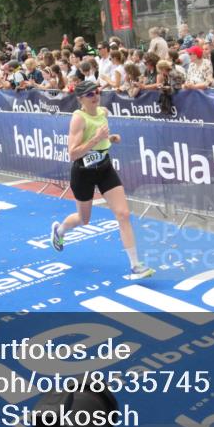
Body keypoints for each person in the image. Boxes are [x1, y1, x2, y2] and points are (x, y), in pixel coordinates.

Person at [49, 81, 155, 281]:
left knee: (123, 214)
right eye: (89, 94)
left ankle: (135, 266)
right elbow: (72, 153)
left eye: (96, 92)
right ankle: (59, 229)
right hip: (83, 172)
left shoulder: (103, 112)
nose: (95, 96)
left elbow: (101, 136)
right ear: (80, 99)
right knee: (84, 219)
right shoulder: (78, 119)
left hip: (105, 168)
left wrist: (110, 138)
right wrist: (97, 139)